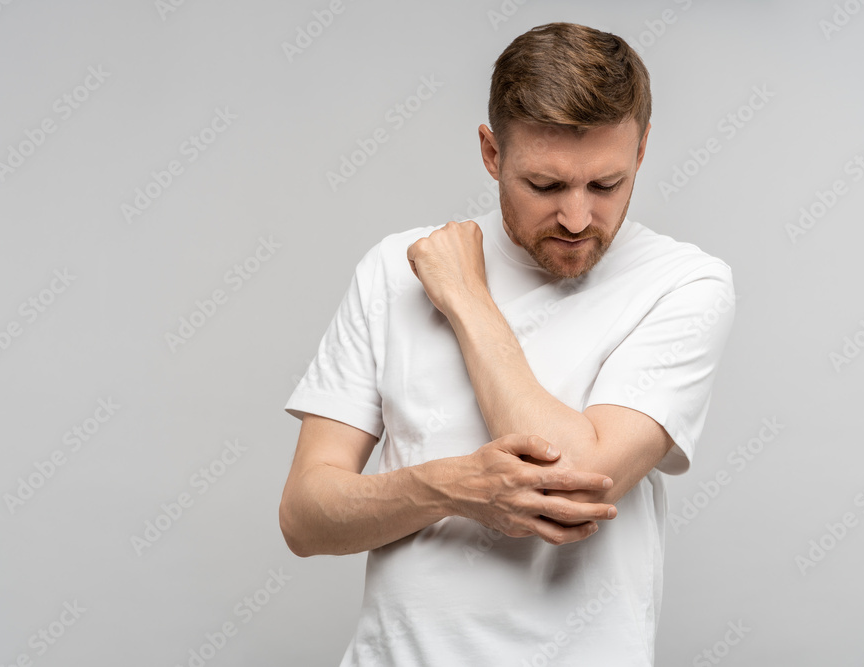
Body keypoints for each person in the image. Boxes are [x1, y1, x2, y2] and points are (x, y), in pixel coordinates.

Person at [280, 22, 735, 666]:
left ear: (641, 150)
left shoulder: (685, 284)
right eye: (546, 186)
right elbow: (305, 516)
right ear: (492, 155)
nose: (577, 218)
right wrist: (453, 487)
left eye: (606, 185)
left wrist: (466, 298)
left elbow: (576, 486)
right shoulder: (394, 268)